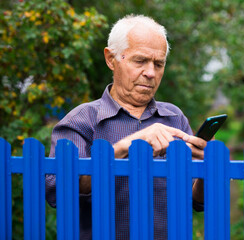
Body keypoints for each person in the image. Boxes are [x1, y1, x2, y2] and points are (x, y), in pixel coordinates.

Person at [45, 14, 207, 239]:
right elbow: (58, 191)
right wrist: (126, 146)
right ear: (111, 59)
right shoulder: (81, 120)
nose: (151, 73)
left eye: (158, 64)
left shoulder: (174, 117)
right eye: (140, 61)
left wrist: (206, 172)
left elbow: (197, 201)